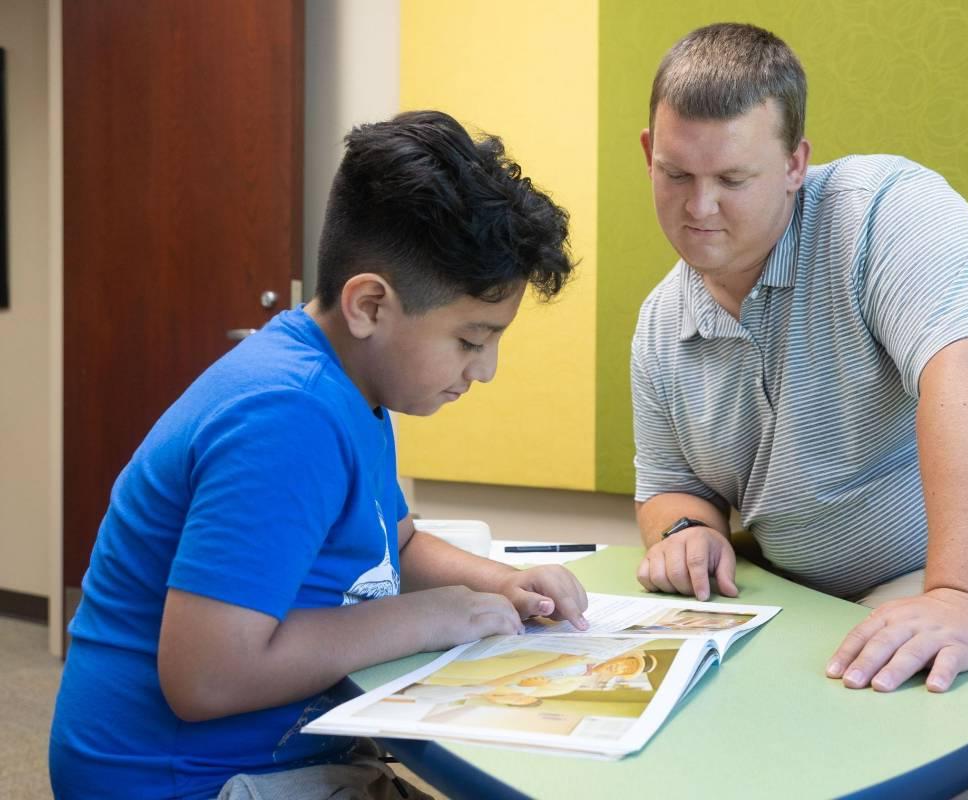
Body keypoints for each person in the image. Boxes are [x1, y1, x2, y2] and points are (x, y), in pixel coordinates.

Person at [630, 23, 968, 728]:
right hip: (838, 597)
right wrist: (682, 533)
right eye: (677, 174)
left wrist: (960, 598)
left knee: (862, 706)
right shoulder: (661, 321)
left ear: (795, 163)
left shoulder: (885, 210)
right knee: (708, 698)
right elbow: (674, 486)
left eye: (733, 179)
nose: (700, 208)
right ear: (649, 152)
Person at [49, 110, 589, 800]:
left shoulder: (349, 387)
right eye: (470, 340)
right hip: (176, 778)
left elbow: (394, 544)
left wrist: (497, 584)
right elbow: (206, 678)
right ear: (369, 304)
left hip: (262, 755)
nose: (484, 371)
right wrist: (427, 616)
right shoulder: (288, 415)